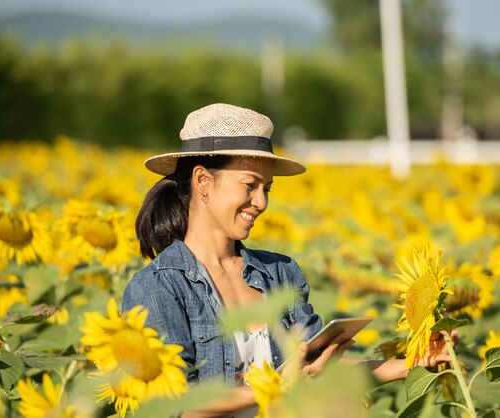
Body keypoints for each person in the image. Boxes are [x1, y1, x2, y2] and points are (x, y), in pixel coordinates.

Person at [122, 103, 455, 417]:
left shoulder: (278, 273)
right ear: (203, 181)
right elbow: (173, 406)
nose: (261, 202)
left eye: (267, 188)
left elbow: (320, 367)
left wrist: (413, 363)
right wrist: (278, 386)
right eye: (250, 185)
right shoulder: (157, 286)